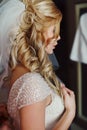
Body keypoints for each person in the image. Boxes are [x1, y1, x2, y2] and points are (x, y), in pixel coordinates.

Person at [0, 0, 76, 130]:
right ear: (38, 32)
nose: (58, 38)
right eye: (53, 30)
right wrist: (70, 113)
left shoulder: (19, 68)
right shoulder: (32, 84)